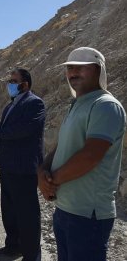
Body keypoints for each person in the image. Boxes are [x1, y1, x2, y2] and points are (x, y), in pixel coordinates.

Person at [38, 47, 126, 261]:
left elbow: (90, 156)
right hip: (65, 209)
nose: (73, 73)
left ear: (99, 70)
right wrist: (42, 173)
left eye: (81, 67)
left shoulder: (105, 105)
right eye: (69, 68)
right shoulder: (77, 104)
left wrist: (53, 181)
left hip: (89, 214)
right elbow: (60, 147)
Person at [0, 68, 45, 261]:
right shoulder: (10, 106)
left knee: (27, 214)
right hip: (8, 167)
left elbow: (24, 129)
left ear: (24, 84)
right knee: (9, 210)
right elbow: (4, 127)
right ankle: (13, 247)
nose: (9, 84)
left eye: (13, 80)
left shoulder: (35, 103)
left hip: (24, 168)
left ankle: (31, 255)